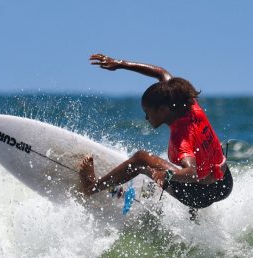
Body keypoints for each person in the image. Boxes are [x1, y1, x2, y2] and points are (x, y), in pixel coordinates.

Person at [79, 53, 233, 216]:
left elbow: (192, 172)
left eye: (148, 112)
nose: (146, 117)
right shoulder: (188, 104)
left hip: (199, 195)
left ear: (163, 110)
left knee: (140, 159)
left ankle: (91, 187)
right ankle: (193, 213)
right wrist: (121, 64)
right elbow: (161, 73)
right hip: (225, 183)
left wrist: (166, 174)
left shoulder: (181, 139)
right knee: (198, 161)